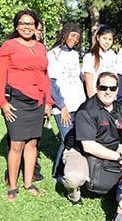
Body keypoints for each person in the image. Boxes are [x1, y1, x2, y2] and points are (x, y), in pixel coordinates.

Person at [0, 9, 52, 201]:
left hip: (37, 102)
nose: (27, 27)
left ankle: (28, 183)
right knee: (17, 143)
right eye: (23, 23)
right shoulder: (8, 46)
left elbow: (45, 76)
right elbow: (0, 76)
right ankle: (12, 186)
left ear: (36, 26)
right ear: (17, 26)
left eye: (30, 23)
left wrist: (48, 102)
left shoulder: (41, 47)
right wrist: (2, 102)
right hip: (16, 100)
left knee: (33, 143)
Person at [62, 72, 122, 205]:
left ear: (117, 90)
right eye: (103, 88)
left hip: (111, 146)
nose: (108, 92)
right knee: (73, 178)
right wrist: (119, 157)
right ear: (97, 88)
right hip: (80, 150)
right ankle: (74, 195)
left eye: (112, 88)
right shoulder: (86, 110)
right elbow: (89, 146)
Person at [47, 23, 86, 179]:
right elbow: (51, 83)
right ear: (65, 34)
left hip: (79, 103)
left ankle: (75, 169)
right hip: (63, 107)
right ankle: (58, 173)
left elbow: (78, 78)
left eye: (77, 37)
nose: (74, 39)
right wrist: (62, 106)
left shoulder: (75, 55)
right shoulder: (53, 54)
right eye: (72, 35)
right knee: (66, 139)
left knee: (76, 138)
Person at [82, 25, 122, 101]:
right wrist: (93, 103)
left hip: (112, 100)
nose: (107, 42)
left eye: (110, 39)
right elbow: (89, 84)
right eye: (104, 38)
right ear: (98, 38)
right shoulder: (90, 57)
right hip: (97, 100)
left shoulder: (113, 55)